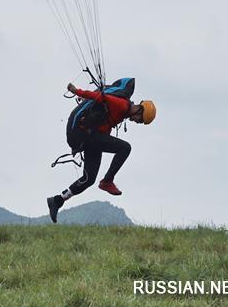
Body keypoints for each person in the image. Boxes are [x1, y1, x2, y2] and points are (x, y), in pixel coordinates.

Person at [47, 82, 156, 223]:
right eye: (139, 120)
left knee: (89, 179)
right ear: (139, 110)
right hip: (81, 133)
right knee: (125, 148)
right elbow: (99, 96)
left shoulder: (123, 112)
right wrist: (77, 91)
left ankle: (57, 201)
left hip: (91, 136)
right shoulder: (122, 105)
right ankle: (107, 181)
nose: (136, 122)